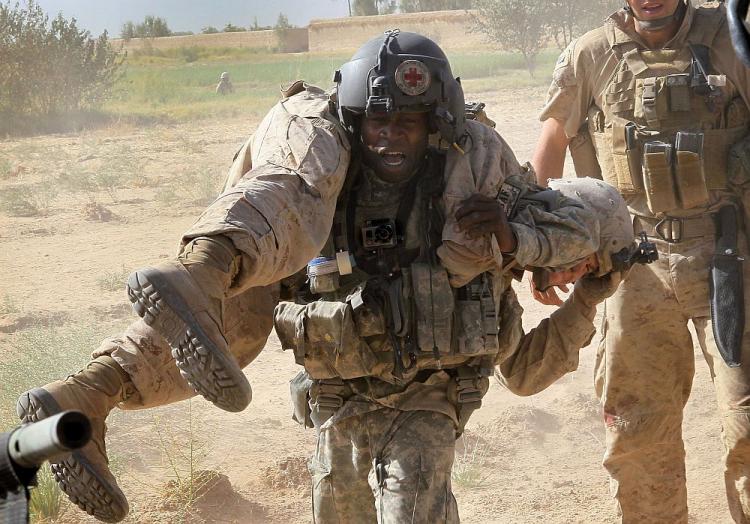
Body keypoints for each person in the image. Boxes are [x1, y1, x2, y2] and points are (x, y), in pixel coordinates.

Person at [16, 31, 633, 523]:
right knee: (238, 315)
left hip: (428, 401)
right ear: (355, 121)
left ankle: (101, 379)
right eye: (379, 124)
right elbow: (287, 190)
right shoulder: (324, 177)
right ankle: (108, 372)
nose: (391, 139)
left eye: (408, 125)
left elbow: (552, 287)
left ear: (437, 126)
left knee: (409, 505)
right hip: (338, 398)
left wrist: (523, 245)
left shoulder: (479, 189)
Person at [531, 0, 750, 522]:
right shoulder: (592, 54)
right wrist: (545, 247)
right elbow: (553, 140)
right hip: (636, 265)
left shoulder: (731, 38)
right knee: (638, 430)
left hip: (730, 257)